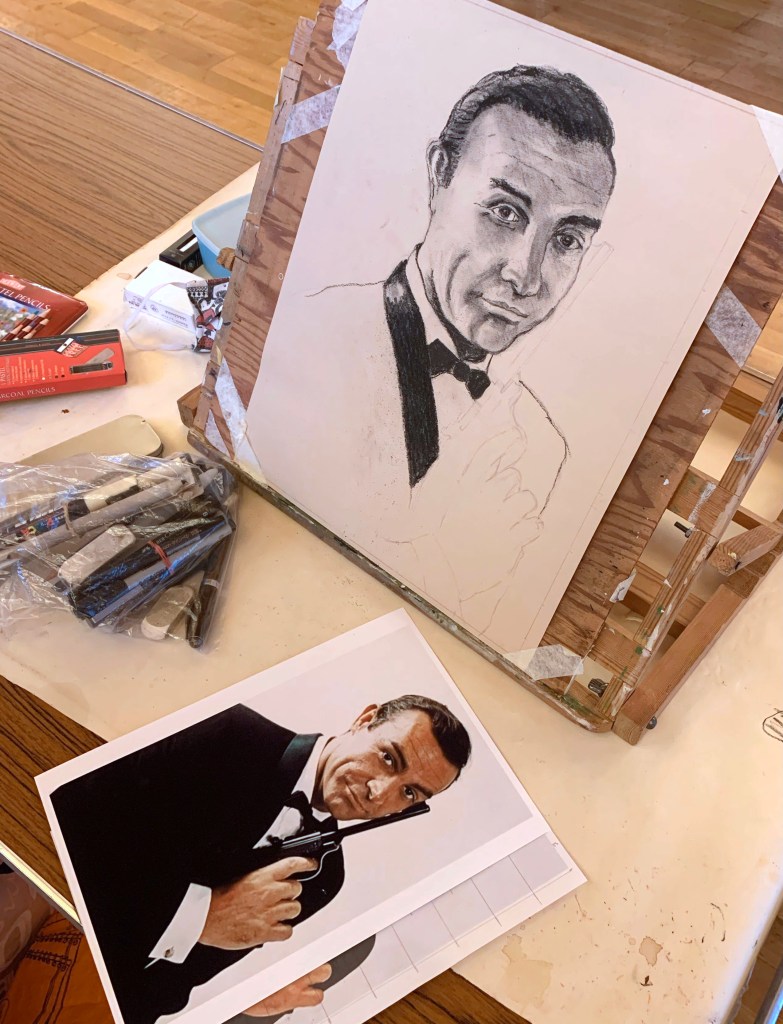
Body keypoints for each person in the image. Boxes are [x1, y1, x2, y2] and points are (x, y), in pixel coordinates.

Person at [254, 66, 616, 651]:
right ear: (439, 177)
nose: (525, 276)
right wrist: (442, 556)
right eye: (504, 212)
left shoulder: (540, 446)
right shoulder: (306, 335)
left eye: (567, 239)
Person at [50, 695, 471, 1024]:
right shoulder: (227, 730)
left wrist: (237, 1004)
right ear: (364, 720)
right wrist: (200, 916)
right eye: (388, 757)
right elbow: (69, 825)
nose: (379, 793)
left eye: (409, 793)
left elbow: (178, 980)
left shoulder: (326, 876)